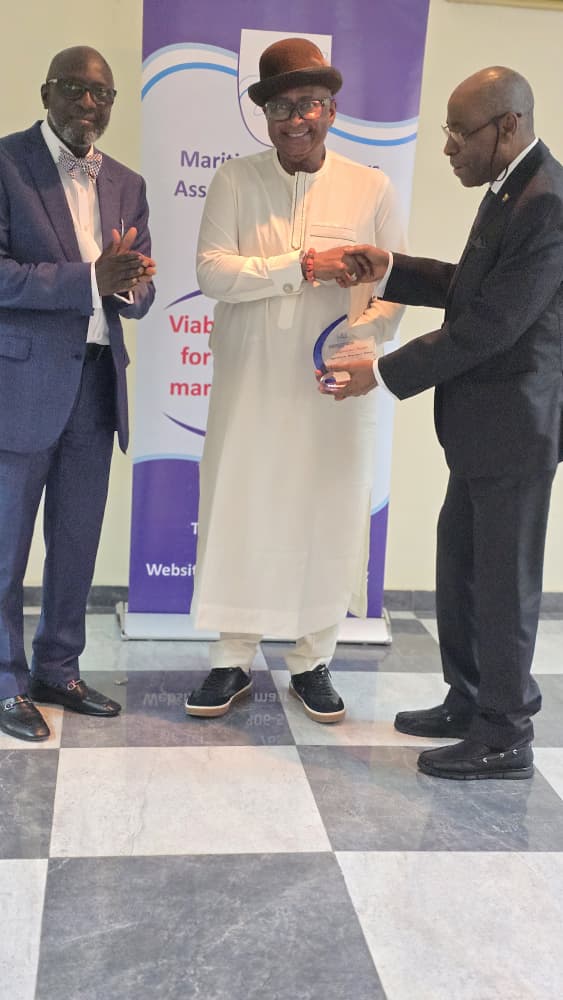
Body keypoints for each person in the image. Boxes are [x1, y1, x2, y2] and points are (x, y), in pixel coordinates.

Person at [323, 66, 563, 777]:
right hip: (484, 427)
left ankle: (505, 733)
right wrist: (389, 266)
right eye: (446, 131)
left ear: (507, 126)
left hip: (516, 428)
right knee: (462, 566)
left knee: (504, 583)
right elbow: (472, 286)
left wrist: (382, 370)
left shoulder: (547, 203)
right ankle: (469, 700)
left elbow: (492, 324)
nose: (449, 147)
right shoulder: (511, 188)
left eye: (460, 133)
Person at [185, 37, 405, 723]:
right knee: (241, 502)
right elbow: (211, 271)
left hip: (328, 389)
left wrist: (361, 348)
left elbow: (394, 288)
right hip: (250, 379)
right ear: (265, 115)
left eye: (308, 104)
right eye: (280, 107)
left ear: (331, 110)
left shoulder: (370, 187)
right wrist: (302, 266)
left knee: (326, 508)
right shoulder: (235, 180)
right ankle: (232, 656)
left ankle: (313, 659)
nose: (295, 119)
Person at [0, 46, 156, 741]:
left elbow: (138, 287)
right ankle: (5, 683)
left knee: (75, 543)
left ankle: (57, 670)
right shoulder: (7, 164)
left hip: (96, 383)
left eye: (101, 94)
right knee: (5, 548)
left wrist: (130, 285)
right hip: (21, 386)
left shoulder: (126, 182)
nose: (88, 104)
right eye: (73, 89)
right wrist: (90, 279)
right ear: (45, 93)